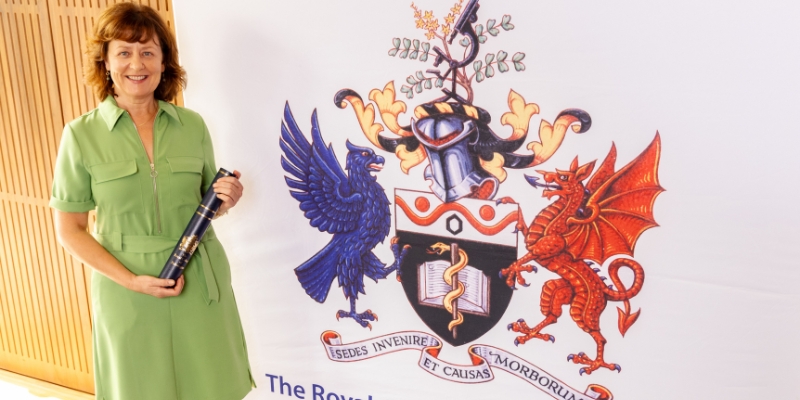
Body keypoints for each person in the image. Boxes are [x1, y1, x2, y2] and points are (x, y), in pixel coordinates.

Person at [49, 3, 254, 400]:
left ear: (164, 62)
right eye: (123, 52)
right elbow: (69, 230)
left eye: (147, 51)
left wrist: (225, 201)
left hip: (197, 278)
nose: (136, 63)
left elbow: (203, 203)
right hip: (126, 288)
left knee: (210, 388)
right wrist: (131, 281)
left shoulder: (191, 124)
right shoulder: (79, 135)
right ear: (106, 62)